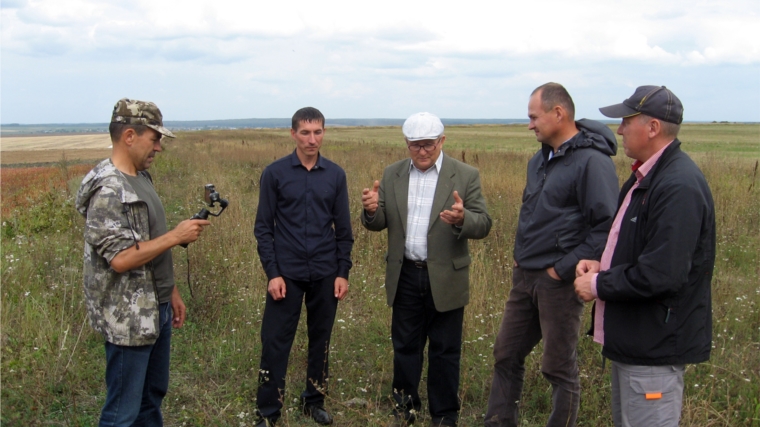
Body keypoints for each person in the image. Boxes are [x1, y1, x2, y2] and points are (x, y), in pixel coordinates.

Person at [574, 86, 715, 427]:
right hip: (637, 341)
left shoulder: (677, 186)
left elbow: (662, 274)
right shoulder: (646, 178)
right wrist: (602, 264)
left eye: (626, 120)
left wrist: (598, 284)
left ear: (652, 127)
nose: (619, 130)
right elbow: (639, 249)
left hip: (655, 347)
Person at [485, 83, 620, 427]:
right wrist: (519, 255)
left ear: (558, 113)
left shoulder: (592, 162)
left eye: (534, 117)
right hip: (525, 277)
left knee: (558, 367)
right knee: (506, 354)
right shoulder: (539, 159)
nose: (530, 124)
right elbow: (532, 212)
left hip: (558, 283)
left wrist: (560, 270)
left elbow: (604, 228)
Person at [75, 98, 210, 426]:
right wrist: (176, 236)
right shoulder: (109, 190)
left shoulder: (141, 178)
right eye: (155, 138)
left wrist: (171, 291)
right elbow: (120, 259)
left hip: (156, 308)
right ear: (130, 136)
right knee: (123, 412)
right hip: (129, 321)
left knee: (151, 399)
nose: (159, 148)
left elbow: (148, 245)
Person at [361, 112, 492, 427]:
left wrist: (464, 219)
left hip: (446, 276)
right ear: (406, 144)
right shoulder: (392, 174)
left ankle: (444, 415)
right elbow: (380, 222)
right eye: (416, 145)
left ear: (442, 141)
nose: (422, 151)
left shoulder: (465, 174)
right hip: (406, 273)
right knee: (405, 346)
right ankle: (405, 410)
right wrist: (369, 211)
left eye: (429, 144)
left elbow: (484, 223)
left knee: (446, 351)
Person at [253, 107, 353, 427]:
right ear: (293, 133)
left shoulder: (335, 175)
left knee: (321, 339)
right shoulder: (276, 173)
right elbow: (264, 228)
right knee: (275, 341)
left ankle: (314, 400)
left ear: (324, 132)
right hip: (287, 273)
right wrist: (273, 273)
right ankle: (269, 411)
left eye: (318, 132)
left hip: (325, 272)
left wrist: (342, 272)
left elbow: (344, 230)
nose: (313, 139)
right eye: (306, 132)